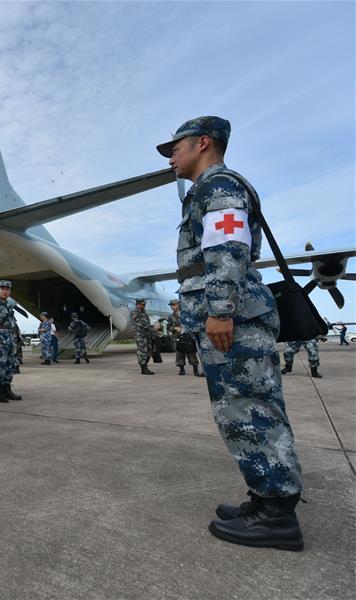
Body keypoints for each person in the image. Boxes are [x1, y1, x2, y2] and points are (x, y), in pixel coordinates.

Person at [160, 115, 304, 550]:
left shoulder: (218, 187)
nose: (172, 157)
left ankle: (277, 515)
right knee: (245, 408)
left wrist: (220, 310)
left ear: (203, 143)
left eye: (176, 148)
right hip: (232, 315)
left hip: (233, 317)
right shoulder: (209, 189)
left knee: (249, 408)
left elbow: (227, 249)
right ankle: (265, 497)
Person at [0, 281, 21, 402]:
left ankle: (7, 389)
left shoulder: (8, 305)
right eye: (2, 288)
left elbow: (12, 323)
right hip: (0, 338)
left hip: (10, 338)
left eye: (7, 289)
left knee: (10, 365)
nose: (5, 291)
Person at [167, 299, 203, 377]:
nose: (172, 307)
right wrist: (174, 328)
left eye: (174, 305)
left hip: (188, 336)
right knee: (179, 353)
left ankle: (195, 369)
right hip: (178, 337)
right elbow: (168, 327)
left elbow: (192, 324)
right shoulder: (171, 316)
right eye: (171, 305)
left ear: (179, 305)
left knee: (191, 353)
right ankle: (181, 369)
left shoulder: (186, 314)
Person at [132, 299, 156, 375]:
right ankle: (143, 368)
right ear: (137, 304)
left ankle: (145, 366)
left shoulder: (144, 313)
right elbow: (139, 323)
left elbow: (147, 322)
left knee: (149, 351)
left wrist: (151, 331)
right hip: (140, 335)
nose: (144, 305)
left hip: (147, 335)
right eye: (142, 304)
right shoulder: (134, 312)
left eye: (144, 304)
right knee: (142, 351)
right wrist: (152, 328)